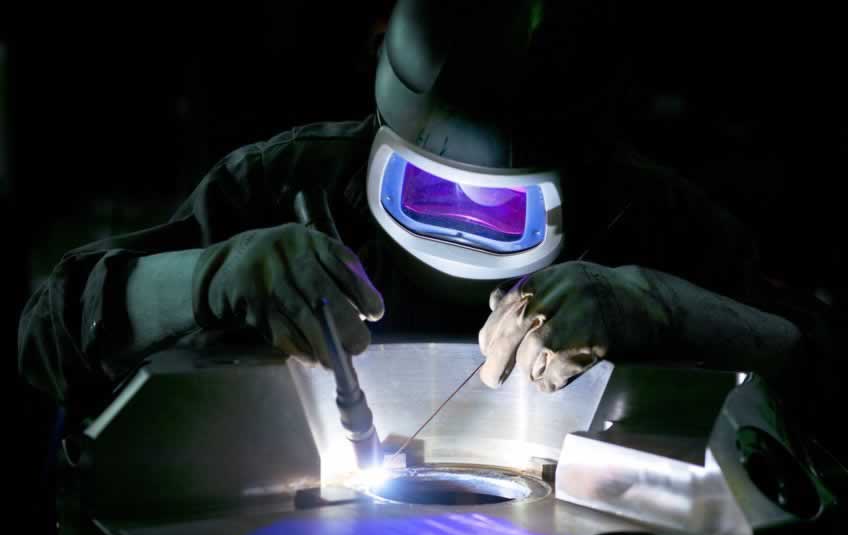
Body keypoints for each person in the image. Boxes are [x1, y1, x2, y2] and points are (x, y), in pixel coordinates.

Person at [17, 0, 829, 452]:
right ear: (384, 136)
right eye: (428, 191)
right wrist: (204, 281)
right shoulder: (289, 185)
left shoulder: (651, 221)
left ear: (579, 175)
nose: (463, 225)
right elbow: (45, 343)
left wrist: (664, 309)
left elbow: (824, 367)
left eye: (502, 207)